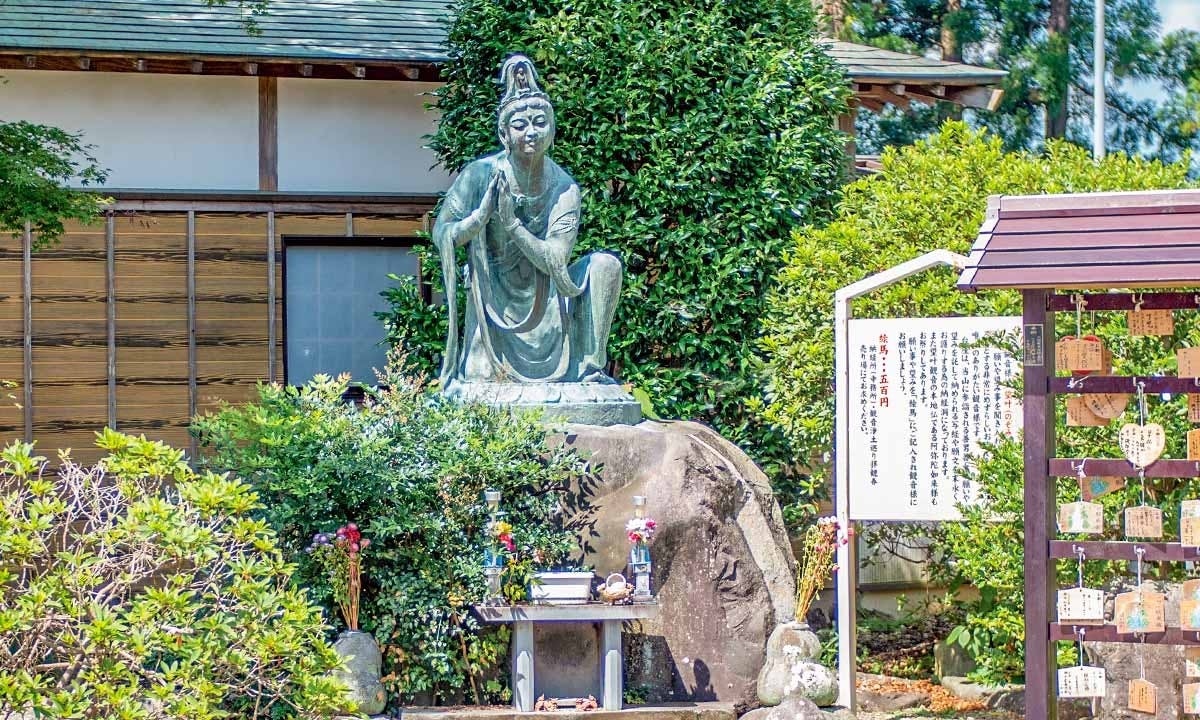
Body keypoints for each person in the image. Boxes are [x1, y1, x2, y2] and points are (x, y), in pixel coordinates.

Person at [433, 55, 623, 388]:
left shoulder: (564, 187)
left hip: (549, 296)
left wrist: (512, 225)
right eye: (520, 125)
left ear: (552, 129)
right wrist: (478, 218)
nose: (531, 133)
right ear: (504, 133)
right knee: (481, 387)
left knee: (606, 265)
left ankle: (590, 366)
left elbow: (557, 259)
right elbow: (442, 231)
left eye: (540, 122)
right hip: (493, 296)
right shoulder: (480, 175)